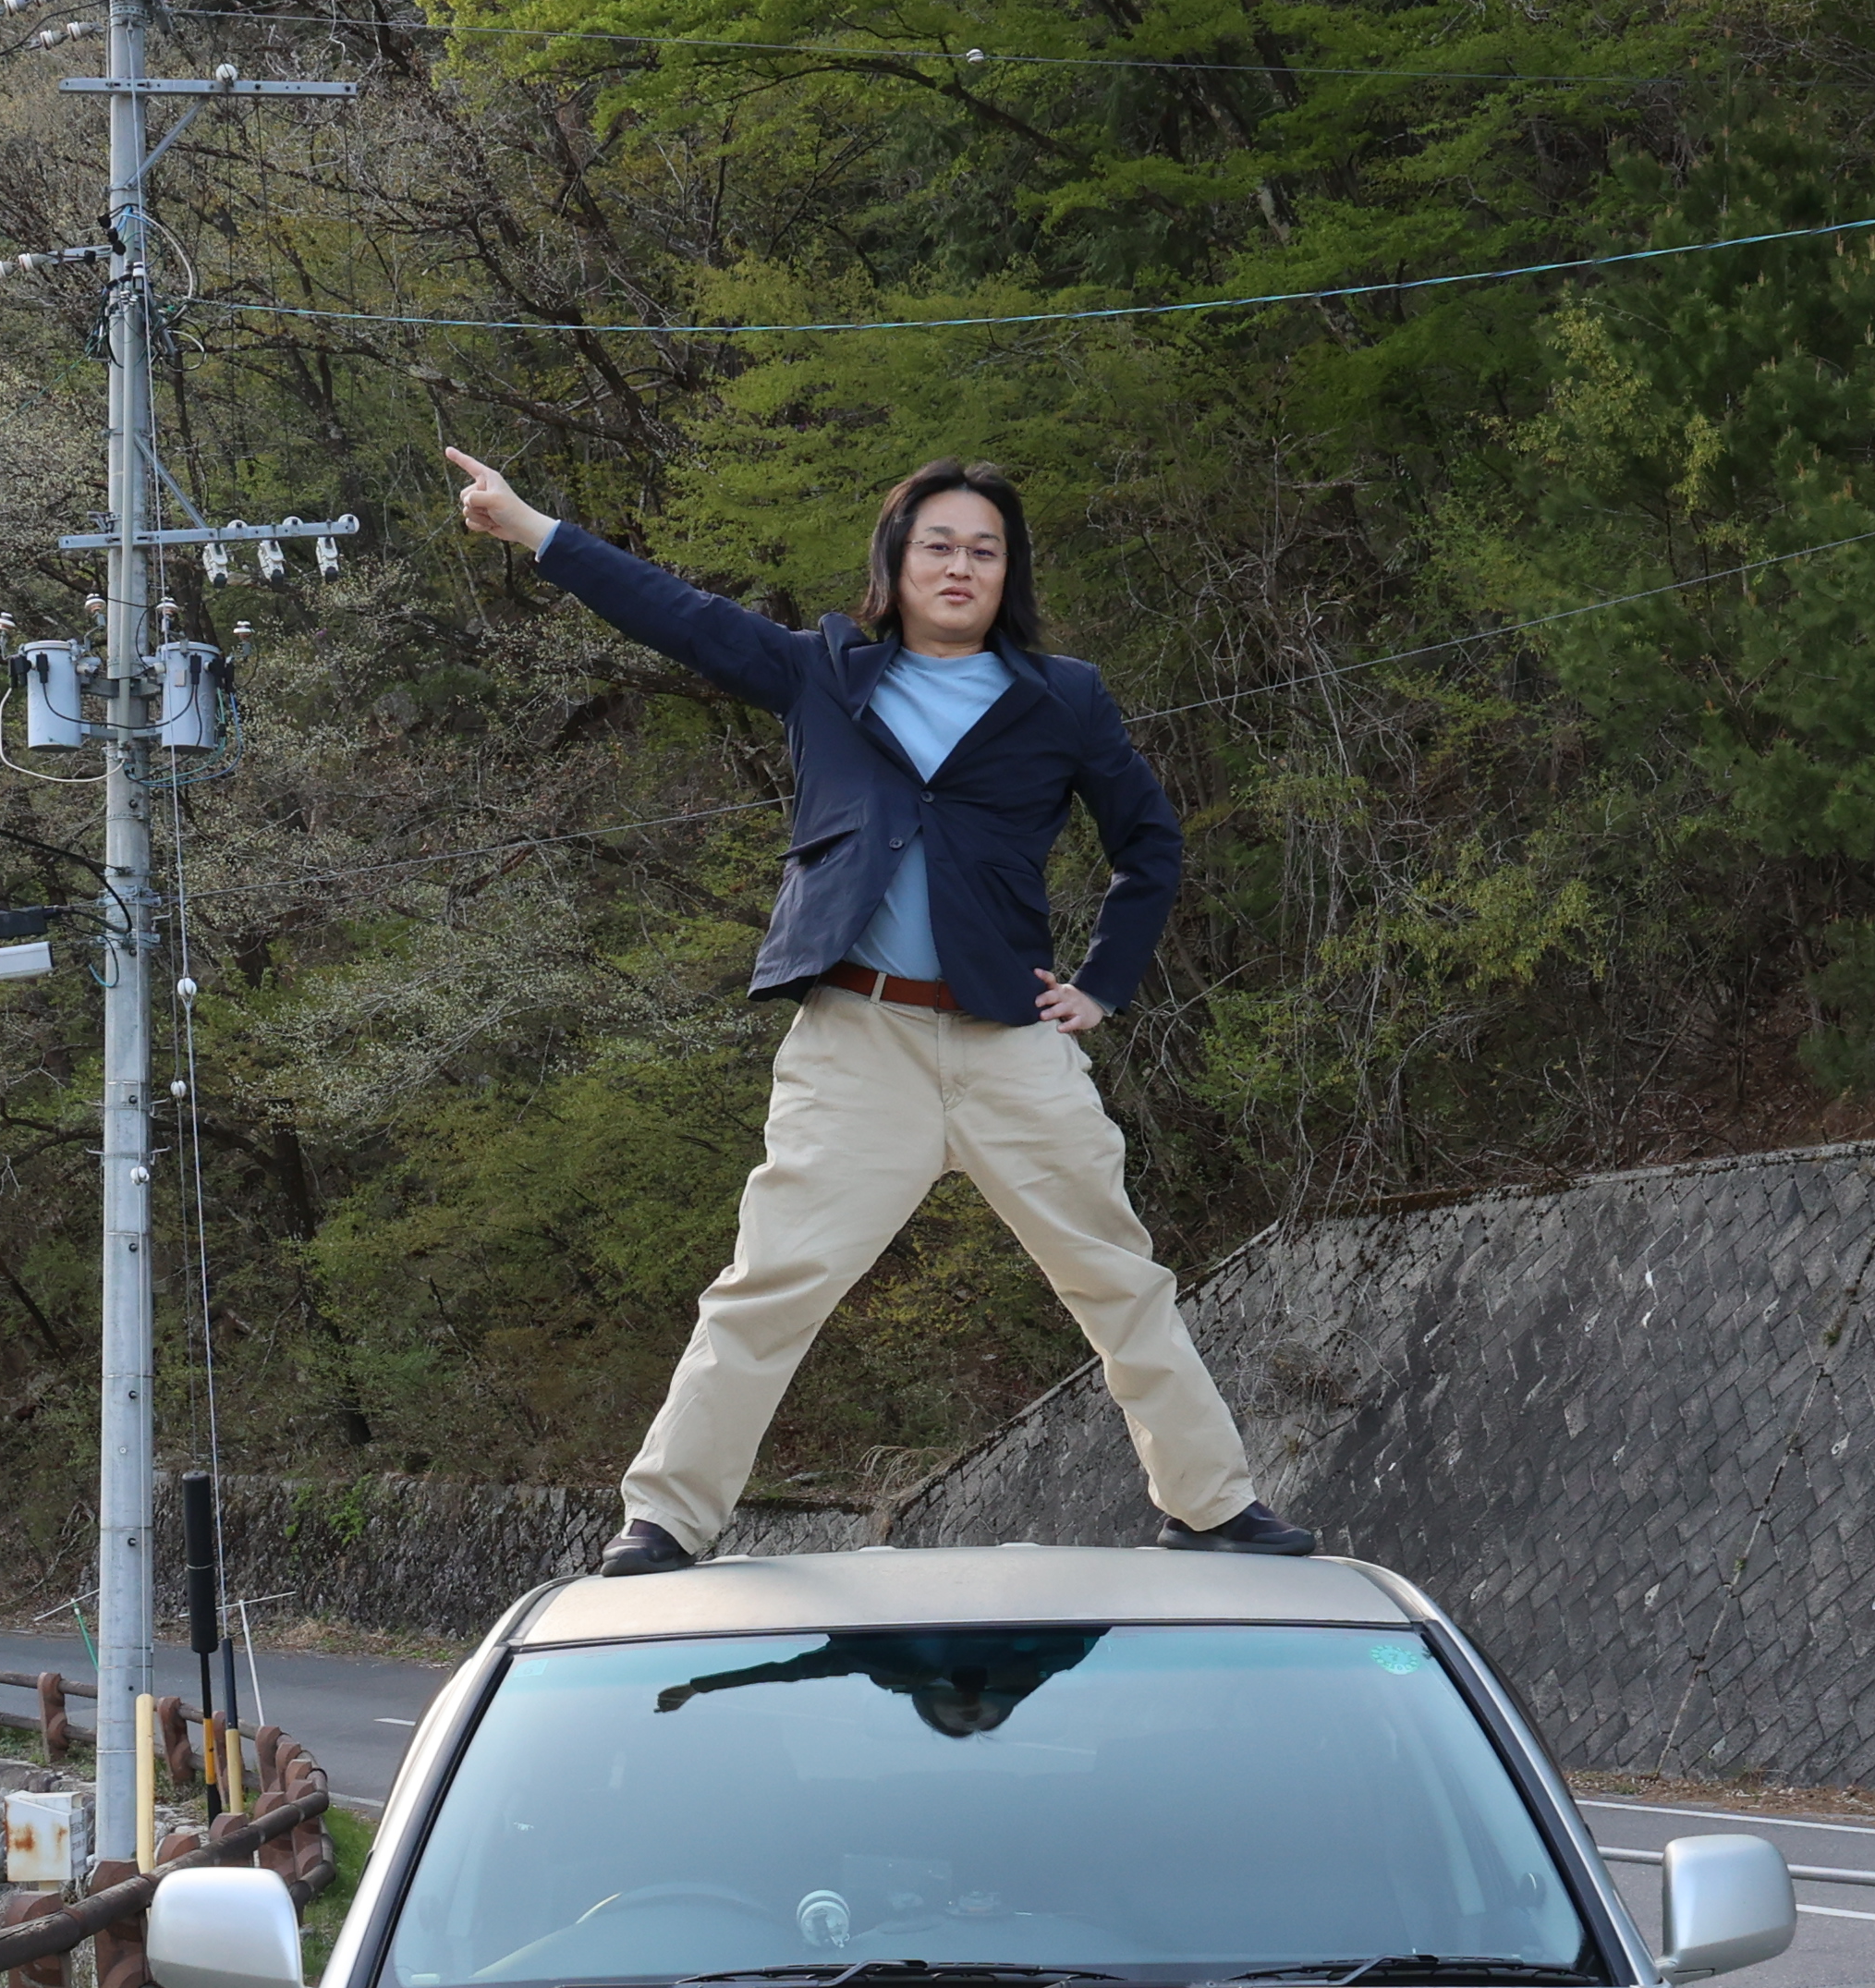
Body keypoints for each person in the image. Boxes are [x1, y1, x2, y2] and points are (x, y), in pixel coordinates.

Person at [444, 446, 1321, 1572]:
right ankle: (668, 1518)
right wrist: (533, 530)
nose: (961, 566)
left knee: (1118, 1276)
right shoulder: (823, 674)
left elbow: (1149, 845)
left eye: (985, 550)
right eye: (939, 545)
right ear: (896, 563)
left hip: (1012, 1043)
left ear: (1011, 574)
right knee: (769, 1286)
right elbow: (682, 616)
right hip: (858, 1041)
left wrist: (1103, 984)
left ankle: (1208, 1504)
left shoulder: (1065, 698)